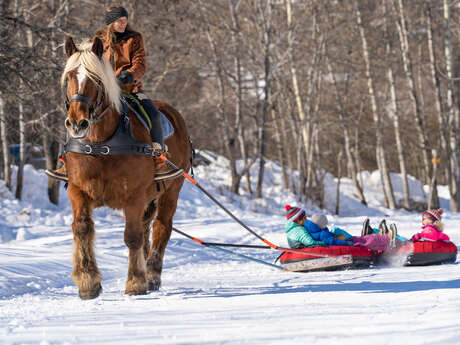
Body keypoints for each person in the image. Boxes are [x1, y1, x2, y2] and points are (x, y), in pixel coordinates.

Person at [46, 5, 183, 182]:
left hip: (129, 90)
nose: (123, 24)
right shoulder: (99, 40)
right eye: (119, 21)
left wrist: (130, 74)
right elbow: (91, 63)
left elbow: (140, 64)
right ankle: (67, 162)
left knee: (154, 114)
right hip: (104, 92)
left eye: (125, 20)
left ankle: (158, 158)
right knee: (77, 115)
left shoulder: (134, 38)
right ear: (111, 22)